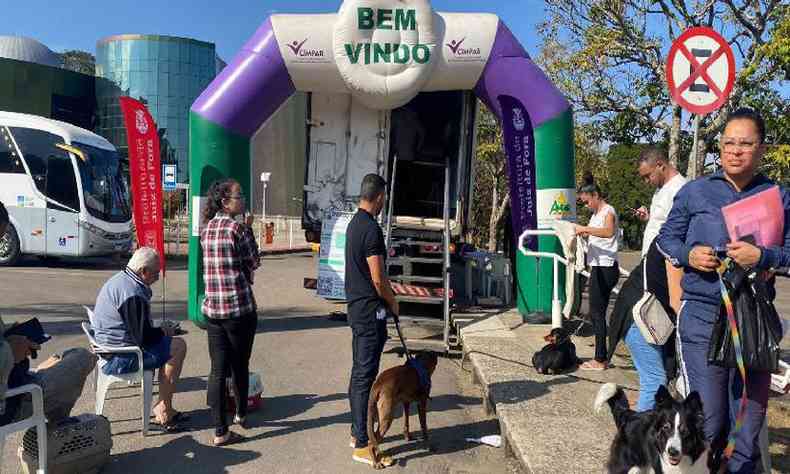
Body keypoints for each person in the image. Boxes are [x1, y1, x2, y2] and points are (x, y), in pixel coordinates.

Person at [657, 108, 789, 473]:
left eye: (745, 143)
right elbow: (665, 240)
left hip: (754, 323)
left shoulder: (778, 196)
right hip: (701, 317)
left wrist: (762, 256)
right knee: (710, 422)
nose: (735, 150)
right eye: (728, 142)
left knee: (747, 429)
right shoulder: (695, 191)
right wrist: (688, 254)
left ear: (762, 148)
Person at [0, 201, 95, 426]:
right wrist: (10, 351)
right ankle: (57, 428)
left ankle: (54, 430)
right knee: (82, 359)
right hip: (12, 399)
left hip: (15, 381)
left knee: (68, 356)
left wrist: (9, 333)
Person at [93, 246, 188, 432]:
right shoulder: (133, 293)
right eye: (156, 273)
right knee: (178, 347)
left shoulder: (121, 280)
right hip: (120, 357)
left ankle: (164, 406)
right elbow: (143, 338)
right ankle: (163, 409)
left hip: (110, 348)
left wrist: (160, 331)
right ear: (143, 271)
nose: (157, 278)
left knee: (169, 345)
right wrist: (163, 331)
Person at [200, 179, 261, 447]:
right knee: (240, 365)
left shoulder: (206, 229)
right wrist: (249, 229)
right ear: (225, 202)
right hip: (239, 309)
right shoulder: (238, 228)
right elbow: (254, 261)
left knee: (217, 369)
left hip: (213, 310)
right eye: (239, 196)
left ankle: (219, 430)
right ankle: (240, 413)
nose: (243, 199)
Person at [345, 174, 397, 467]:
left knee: (358, 374)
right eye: (384, 198)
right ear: (379, 197)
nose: (384, 203)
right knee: (366, 376)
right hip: (369, 312)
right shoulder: (372, 229)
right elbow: (378, 278)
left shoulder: (355, 225)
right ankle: (363, 444)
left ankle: (356, 433)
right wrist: (393, 302)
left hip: (357, 309)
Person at [605, 241, 682, 411]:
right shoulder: (674, 245)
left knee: (657, 381)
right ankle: (639, 435)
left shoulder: (669, 239)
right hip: (640, 318)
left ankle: (646, 426)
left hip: (643, 315)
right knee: (655, 381)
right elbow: (677, 302)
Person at [575, 174, 620, 371]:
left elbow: (609, 232)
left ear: (595, 196)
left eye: (587, 202)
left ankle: (600, 359)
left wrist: (586, 229)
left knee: (597, 313)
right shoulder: (595, 216)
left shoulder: (608, 211)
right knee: (597, 313)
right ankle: (602, 356)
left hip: (606, 268)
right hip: (598, 266)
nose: (586, 206)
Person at [633, 146, 687, 256]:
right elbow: (662, 221)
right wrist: (648, 217)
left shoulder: (680, 189)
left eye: (648, 176)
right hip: (650, 259)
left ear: (660, 165)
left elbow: (680, 231)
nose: (646, 181)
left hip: (663, 261)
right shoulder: (660, 188)